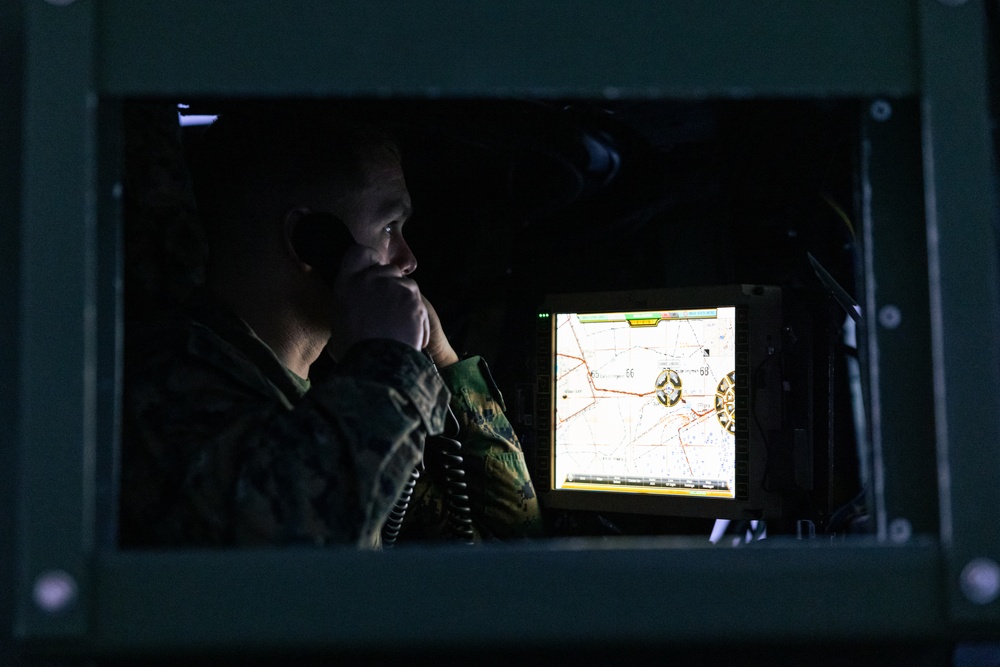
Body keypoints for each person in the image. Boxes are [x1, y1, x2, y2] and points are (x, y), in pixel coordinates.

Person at [120, 107, 542, 548]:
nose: (408, 258)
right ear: (313, 239)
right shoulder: (175, 392)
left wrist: (443, 360)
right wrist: (388, 361)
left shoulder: (322, 402)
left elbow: (512, 544)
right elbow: (303, 555)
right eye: (389, 226)